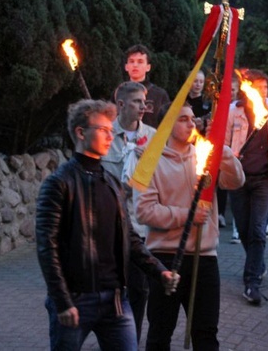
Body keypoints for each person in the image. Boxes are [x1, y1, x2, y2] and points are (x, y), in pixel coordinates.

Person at [36, 99, 178, 351]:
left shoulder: (112, 183)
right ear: (81, 133)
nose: (110, 136)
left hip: (115, 300)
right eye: (103, 130)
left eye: (111, 131)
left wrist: (159, 271)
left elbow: (130, 239)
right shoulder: (59, 183)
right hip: (75, 299)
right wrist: (62, 300)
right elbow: (47, 248)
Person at [136, 103, 245, 350]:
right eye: (183, 119)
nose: (191, 123)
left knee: (206, 333)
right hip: (165, 260)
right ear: (168, 126)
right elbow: (144, 210)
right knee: (160, 333)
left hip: (204, 258)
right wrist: (187, 216)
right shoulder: (152, 160)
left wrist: (221, 148)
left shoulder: (205, 155)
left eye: (193, 118)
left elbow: (236, 180)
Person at [225, 69, 268, 305]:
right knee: (243, 228)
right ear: (248, 88)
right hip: (239, 178)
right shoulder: (235, 112)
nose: (262, 92)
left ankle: (251, 282)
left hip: (264, 179)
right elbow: (223, 143)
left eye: (265, 87)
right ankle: (258, 264)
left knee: (257, 229)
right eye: (258, 87)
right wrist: (228, 160)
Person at [100, 81, 157, 343]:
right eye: (137, 102)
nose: (143, 107)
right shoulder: (103, 135)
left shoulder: (154, 137)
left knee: (138, 289)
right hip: (109, 227)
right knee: (108, 289)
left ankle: (131, 342)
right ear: (121, 104)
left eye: (144, 102)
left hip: (140, 228)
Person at [123, 44, 171, 128]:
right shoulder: (119, 93)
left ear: (148, 67)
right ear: (126, 67)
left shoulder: (160, 95)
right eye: (131, 61)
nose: (135, 65)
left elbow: (168, 125)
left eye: (140, 62)